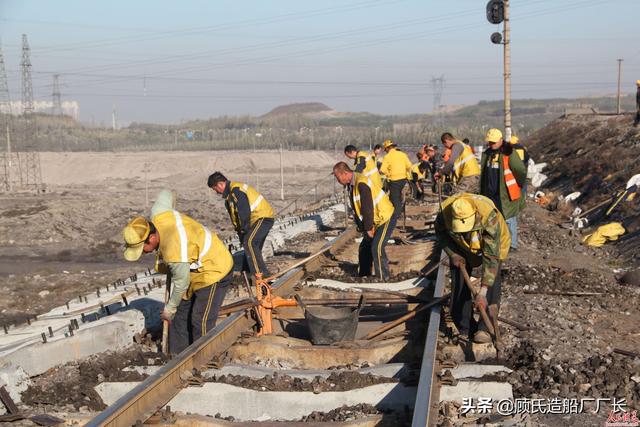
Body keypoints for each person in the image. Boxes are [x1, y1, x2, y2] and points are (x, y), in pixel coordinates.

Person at [122, 189, 233, 354]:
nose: (144, 252)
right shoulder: (158, 214)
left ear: (152, 238)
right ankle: (177, 356)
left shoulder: (173, 249)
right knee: (180, 315)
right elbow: (167, 193)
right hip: (193, 266)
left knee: (200, 319)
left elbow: (181, 282)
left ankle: (204, 359)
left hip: (214, 268)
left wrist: (169, 309)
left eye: (143, 248)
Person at [434, 193, 511, 344]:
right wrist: (452, 253)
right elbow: (440, 234)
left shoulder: (489, 217)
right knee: (459, 276)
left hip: (495, 245)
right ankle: (464, 327)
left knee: (492, 281)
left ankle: (485, 329)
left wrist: (482, 292)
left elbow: (491, 258)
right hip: (460, 245)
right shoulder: (444, 213)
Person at [333, 161, 396, 281]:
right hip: (376, 219)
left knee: (377, 247)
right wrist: (363, 227)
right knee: (365, 247)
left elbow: (367, 208)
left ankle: (383, 278)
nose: (337, 180)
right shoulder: (352, 184)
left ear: (345, 173)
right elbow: (358, 208)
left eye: (337, 177)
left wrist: (368, 228)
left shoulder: (361, 183)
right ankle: (364, 275)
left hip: (385, 216)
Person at [208, 172, 274, 278]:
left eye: (215, 189)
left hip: (262, 217)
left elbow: (244, 211)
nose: (216, 192)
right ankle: (251, 272)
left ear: (220, 184)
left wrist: (244, 229)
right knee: (252, 247)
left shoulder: (236, 190)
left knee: (249, 243)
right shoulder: (229, 197)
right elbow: (236, 217)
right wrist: (241, 233)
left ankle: (261, 275)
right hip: (256, 219)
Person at [480, 128, 527, 251]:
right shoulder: (488, 154)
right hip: (491, 193)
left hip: (507, 193)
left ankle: (512, 244)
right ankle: (497, 243)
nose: (492, 144)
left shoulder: (509, 153)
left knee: (509, 218)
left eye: (494, 142)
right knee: (493, 218)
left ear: (501, 140)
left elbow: (520, 170)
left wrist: (520, 184)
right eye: (490, 142)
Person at [379, 139, 412, 221]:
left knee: (395, 199)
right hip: (403, 180)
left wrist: (386, 173)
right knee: (396, 198)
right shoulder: (402, 154)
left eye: (385, 149)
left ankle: (395, 217)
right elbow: (409, 166)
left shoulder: (387, 157)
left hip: (394, 181)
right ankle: (397, 213)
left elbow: (382, 170)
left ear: (387, 148)